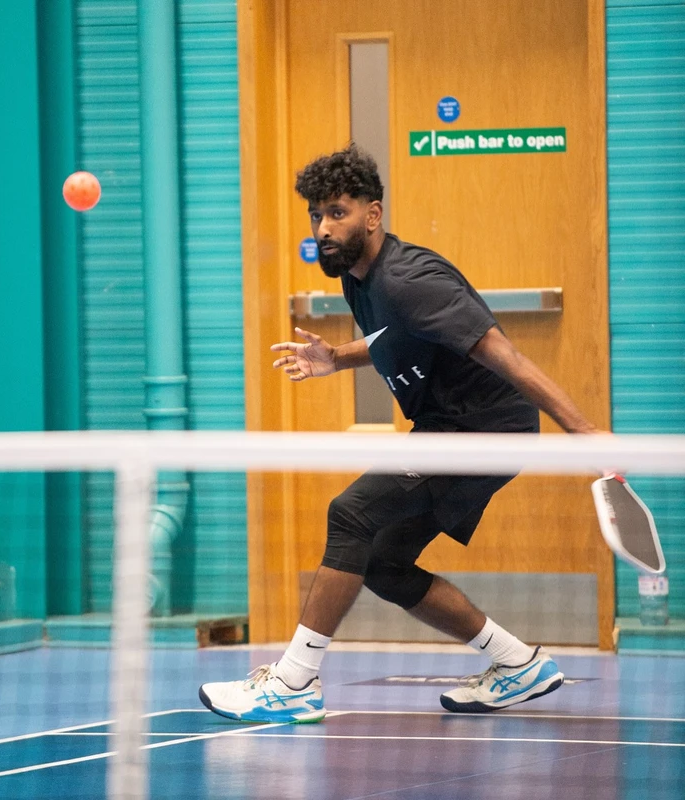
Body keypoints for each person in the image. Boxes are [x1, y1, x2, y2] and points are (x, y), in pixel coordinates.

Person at [199, 144, 600, 723]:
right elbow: (397, 337)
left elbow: (506, 356)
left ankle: (292, 683)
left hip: (484, 430)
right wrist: (336, 357)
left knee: (352, 513)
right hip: (447, 425)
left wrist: (587, 433)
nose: (324, 227)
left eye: (337, 212)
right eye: (316, 216)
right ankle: (518, 666)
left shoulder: (411, 278)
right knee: (384, 562)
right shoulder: (358, 281)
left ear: (373, 213)